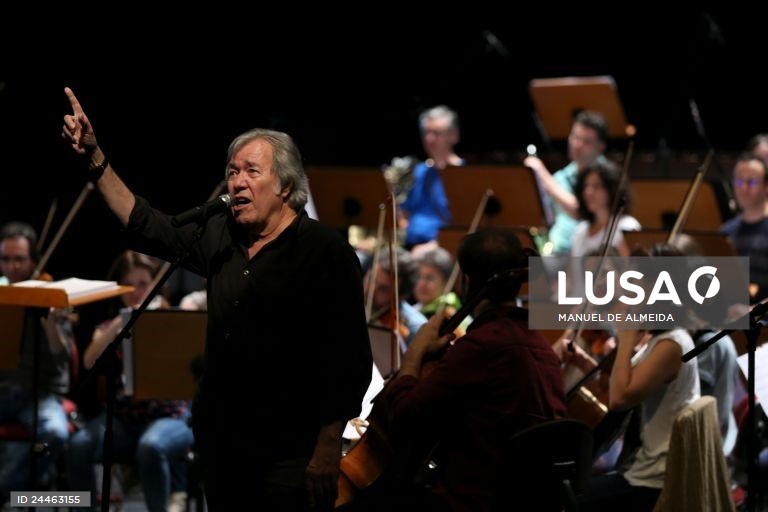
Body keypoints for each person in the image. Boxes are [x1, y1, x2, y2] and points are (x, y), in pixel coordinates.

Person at [63, 87, 372, 511]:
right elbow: (144, 224)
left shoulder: (325, 251)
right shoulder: (220, 234)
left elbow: (349, 358)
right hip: (224, 444)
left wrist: (327, 446)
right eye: (232, 171)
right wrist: (96, 159)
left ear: (285, 185)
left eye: (251, 171)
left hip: (292, 452)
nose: (237, 181)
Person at [348, 228, 566, 512]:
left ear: (466, 280)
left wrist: (413, 359)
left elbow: (404, 420)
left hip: (469, 502)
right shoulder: (544, 351)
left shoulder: (480, 347)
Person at [573, 244, 701, 512]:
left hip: (655, 479)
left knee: (564, 500)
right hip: (643, 466)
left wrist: (626, 336)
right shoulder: (660, 338)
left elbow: (619, 400)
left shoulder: (671, 344)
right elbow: (621, 382)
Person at [68, 251, 193, 512]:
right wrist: (123, 319)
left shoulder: (171, 320)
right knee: (79, 445)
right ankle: (83, 508)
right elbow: (89, 361)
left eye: (144, 284)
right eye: (129, 284)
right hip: (123, 420)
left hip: (170, 416)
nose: (137, 291)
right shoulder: (110, 326)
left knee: (151, 446)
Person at [0, 222, 72, 500]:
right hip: (3, 389)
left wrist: (52, 323)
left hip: (39, 392)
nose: (12, 267)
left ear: (33, 261)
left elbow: (62, 357)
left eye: (19, 259)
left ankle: (6, 492)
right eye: (6, 259)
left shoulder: (49, 295)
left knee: (55, 433)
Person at [524, 110, 608, 256]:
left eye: (587, 141)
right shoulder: (560, 177)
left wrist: (541, 173)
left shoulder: (607, 177)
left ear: (600, 147)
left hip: (591, 255)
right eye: (575, 137)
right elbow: (546, 218)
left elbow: (581, 212)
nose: (578, 145)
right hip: (557, 253)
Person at [400, 105, 464, 253]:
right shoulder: (419, 171)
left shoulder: (465, 173)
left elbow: (466, 224)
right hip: (411, 246)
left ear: (453, 135)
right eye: (426, 133)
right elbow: (405, 213)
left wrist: (434, 246)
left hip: (443, 248)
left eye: (437, 133)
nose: (429, 139)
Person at [720, 152, 768, 303]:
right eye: (739, 182)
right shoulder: (726, 231)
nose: (744, 188)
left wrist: (752, 311)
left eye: (752, 182)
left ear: (766, 186)